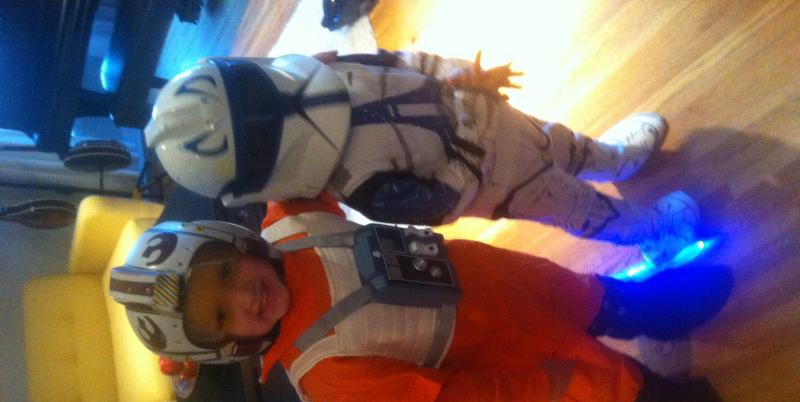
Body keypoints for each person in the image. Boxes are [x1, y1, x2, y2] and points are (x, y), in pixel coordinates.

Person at [109, 194, 734, 402]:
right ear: (226, 346)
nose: (243, 296)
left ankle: (658, 310)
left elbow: (310, 157)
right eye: (223, 314)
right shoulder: (325, 373)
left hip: (498, 276)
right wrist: (532, 388)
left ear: (232, 242)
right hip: (507, 352)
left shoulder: (288, 224)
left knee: (588, 296)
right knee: (602, 377)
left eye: (224, 273)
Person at [142, 49, 697, 265]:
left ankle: (615, 159)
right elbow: (442, 204)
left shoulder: (323, 67)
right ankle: (651, 233)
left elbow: (402, 61)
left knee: (563, 142)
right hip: (508, 183)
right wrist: (469, 142)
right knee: (578, 206)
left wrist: (459, 74)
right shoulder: (359, 183)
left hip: (499, 121)